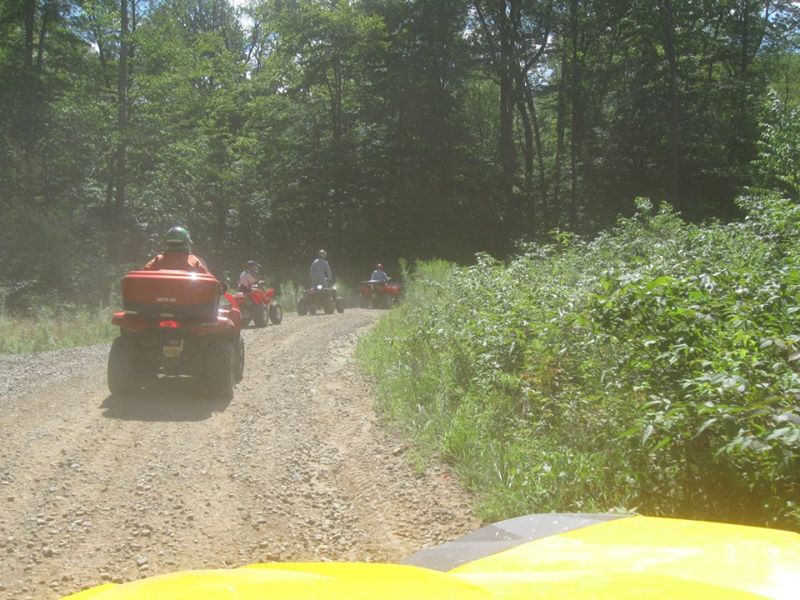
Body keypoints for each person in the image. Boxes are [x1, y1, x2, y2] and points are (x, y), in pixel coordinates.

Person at [143, 226, 210, 273]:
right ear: (187, 244)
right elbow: (209, 282)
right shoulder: (194, 261)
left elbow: (143, 277)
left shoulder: (157, 260)